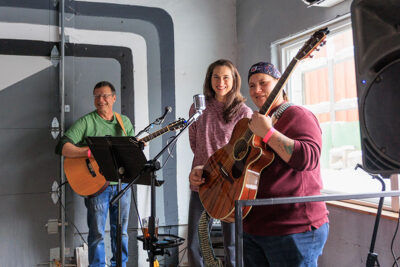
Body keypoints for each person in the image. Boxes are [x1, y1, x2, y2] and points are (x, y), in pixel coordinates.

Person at [244, 62, 329, 267]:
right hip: (254, 227)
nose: (257, 90)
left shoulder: (298, 114)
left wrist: (268, 133)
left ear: (280, 85)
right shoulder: (255, 123)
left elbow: (308, 158)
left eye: (263, 83)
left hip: (294, 229)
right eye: (252, 85)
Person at [58, 81, 134, 267]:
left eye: (105, 96)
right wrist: (87, 152)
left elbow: (131, 153)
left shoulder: (124, 122)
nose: (101, 100)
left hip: (122, 185)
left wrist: (137, 147)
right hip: (97, 187)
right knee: (97, 233)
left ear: (114, 98)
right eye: (97, 96)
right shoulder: (86, 122)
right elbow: (62, 146)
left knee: (121, 232)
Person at [187, 59, 252, 267]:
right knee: (195, 243)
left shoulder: (243, 111)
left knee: (232, 244)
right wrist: (202, 164)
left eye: (226, 77)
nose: (220, 82)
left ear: (234, 80)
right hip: (202, 179)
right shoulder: (198, 107)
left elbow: (245, 151)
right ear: (209, 79)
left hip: (230, 184)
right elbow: (194, 142)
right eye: (216, 76)